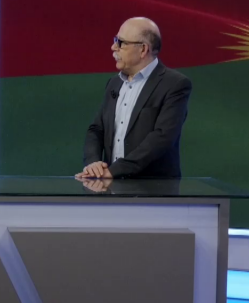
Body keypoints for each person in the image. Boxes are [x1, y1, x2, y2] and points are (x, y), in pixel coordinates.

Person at [78, 17, 192, 180]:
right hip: (111, 185)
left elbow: (162, 137)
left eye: (121, 42)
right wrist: (93, 163)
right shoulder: (114, 83)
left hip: (153, 189)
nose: (113, 47)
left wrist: (115, 171)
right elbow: (97, 129)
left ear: (143, 49)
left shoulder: (174, 84)